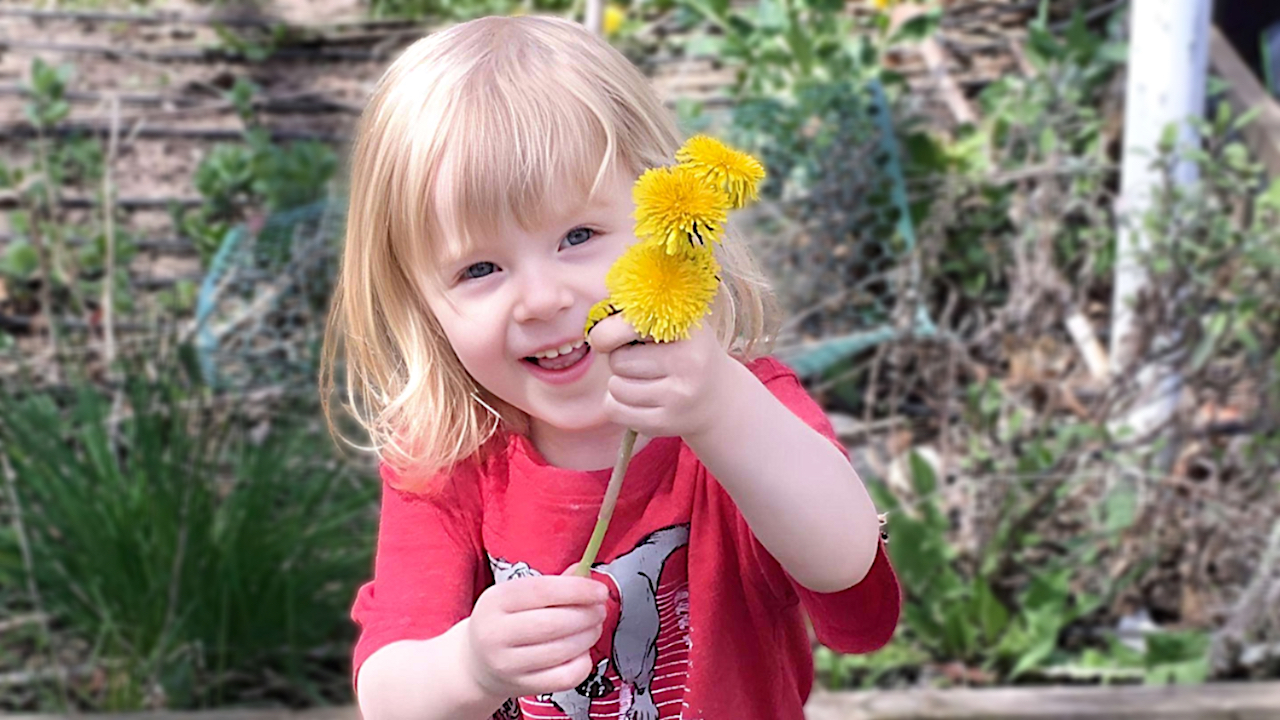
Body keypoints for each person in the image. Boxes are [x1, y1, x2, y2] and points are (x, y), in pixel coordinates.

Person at [320, 14, 900, 720]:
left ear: (659, 221)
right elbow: (390, 697)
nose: (541, 298)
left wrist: (720, 411)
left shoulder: (738, 409)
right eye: (479, 268)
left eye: (578, 236)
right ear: (419, 302)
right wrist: (469, 663)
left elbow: (851, 583)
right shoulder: (447, 454)